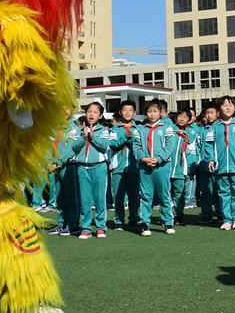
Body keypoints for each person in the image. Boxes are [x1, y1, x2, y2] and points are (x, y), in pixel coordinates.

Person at [205, 97, 235, 230]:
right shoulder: (214, 128)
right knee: (223, 193)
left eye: (231, 105)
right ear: (219, 109)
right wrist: (210, 159)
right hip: (221, 167)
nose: (228, 108)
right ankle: (227, 219)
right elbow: (209, 145)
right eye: (225, 105)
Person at [68, 102, 112, 239]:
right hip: (82, 167)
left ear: (100, 116)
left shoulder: (104, 130)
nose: (91, 114)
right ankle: (86, 227)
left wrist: (92, 136)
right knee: (85, 199)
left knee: (100, 199)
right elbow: (73, 147)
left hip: (99, 167)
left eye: (95, 112)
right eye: (89, 111)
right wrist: (83, 136)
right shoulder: (77, 130)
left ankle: (100, 227)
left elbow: (104, 146)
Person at [135, 100, 175, 236]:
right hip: (144, 166)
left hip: (162, 166)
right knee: (145, 195)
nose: (152, 114)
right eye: (149, 112)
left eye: (155, 111)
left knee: (164, 194)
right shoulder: (140, 129)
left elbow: (170, 146)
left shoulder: (167, 128)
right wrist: (143, 158)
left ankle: (168, 222)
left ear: (161, 112)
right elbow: (137, 146)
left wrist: (158, 159)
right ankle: (144, 222)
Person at [46, 113, 82, 236]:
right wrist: (49, 162)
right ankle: (62, 222)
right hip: (56, 165)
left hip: (69, 165)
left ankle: (73, 224)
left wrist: (58, 162)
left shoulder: (73, 128)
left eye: (66, 107)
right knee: (60, 196)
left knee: (71, 196)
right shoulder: (54, 127)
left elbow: (71, 148)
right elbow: (49, 147)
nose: (63, 110)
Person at [108, 100, 141, 230]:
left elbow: (140, 144)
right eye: (125, 110)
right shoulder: (115, 129)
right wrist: (125, 138)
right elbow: (113, 144)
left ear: (134, 113)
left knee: (134, 195)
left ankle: (133, 218)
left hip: (134, 167)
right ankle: (118, 220)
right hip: (118, 167)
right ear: (120, 112)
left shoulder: (139, 128)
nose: (127, 112)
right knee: (118, 196)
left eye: (130, 110)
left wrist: (131, 138)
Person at [168, 110, 198, 226]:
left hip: (181, 169)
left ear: (189, 120)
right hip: (168, 167)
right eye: (179, 116)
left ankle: (178, 216)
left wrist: (191, 166)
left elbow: (193, 151)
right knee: (166, 193)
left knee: (179, 193)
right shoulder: (170, 131)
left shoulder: (191, 134)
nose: (181, 119)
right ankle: (167, 216)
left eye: (185, 117)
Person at [197, 103, 220, 223]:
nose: (209, 115)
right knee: (205, 190)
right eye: (207, 113)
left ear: (217, 114)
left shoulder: (220, 127)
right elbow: (199, 147)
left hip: (219, 164)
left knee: (219, 190)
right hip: (204, 164)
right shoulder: (202, 130)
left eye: (212, 112)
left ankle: (221, 214)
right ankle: (207, 214)